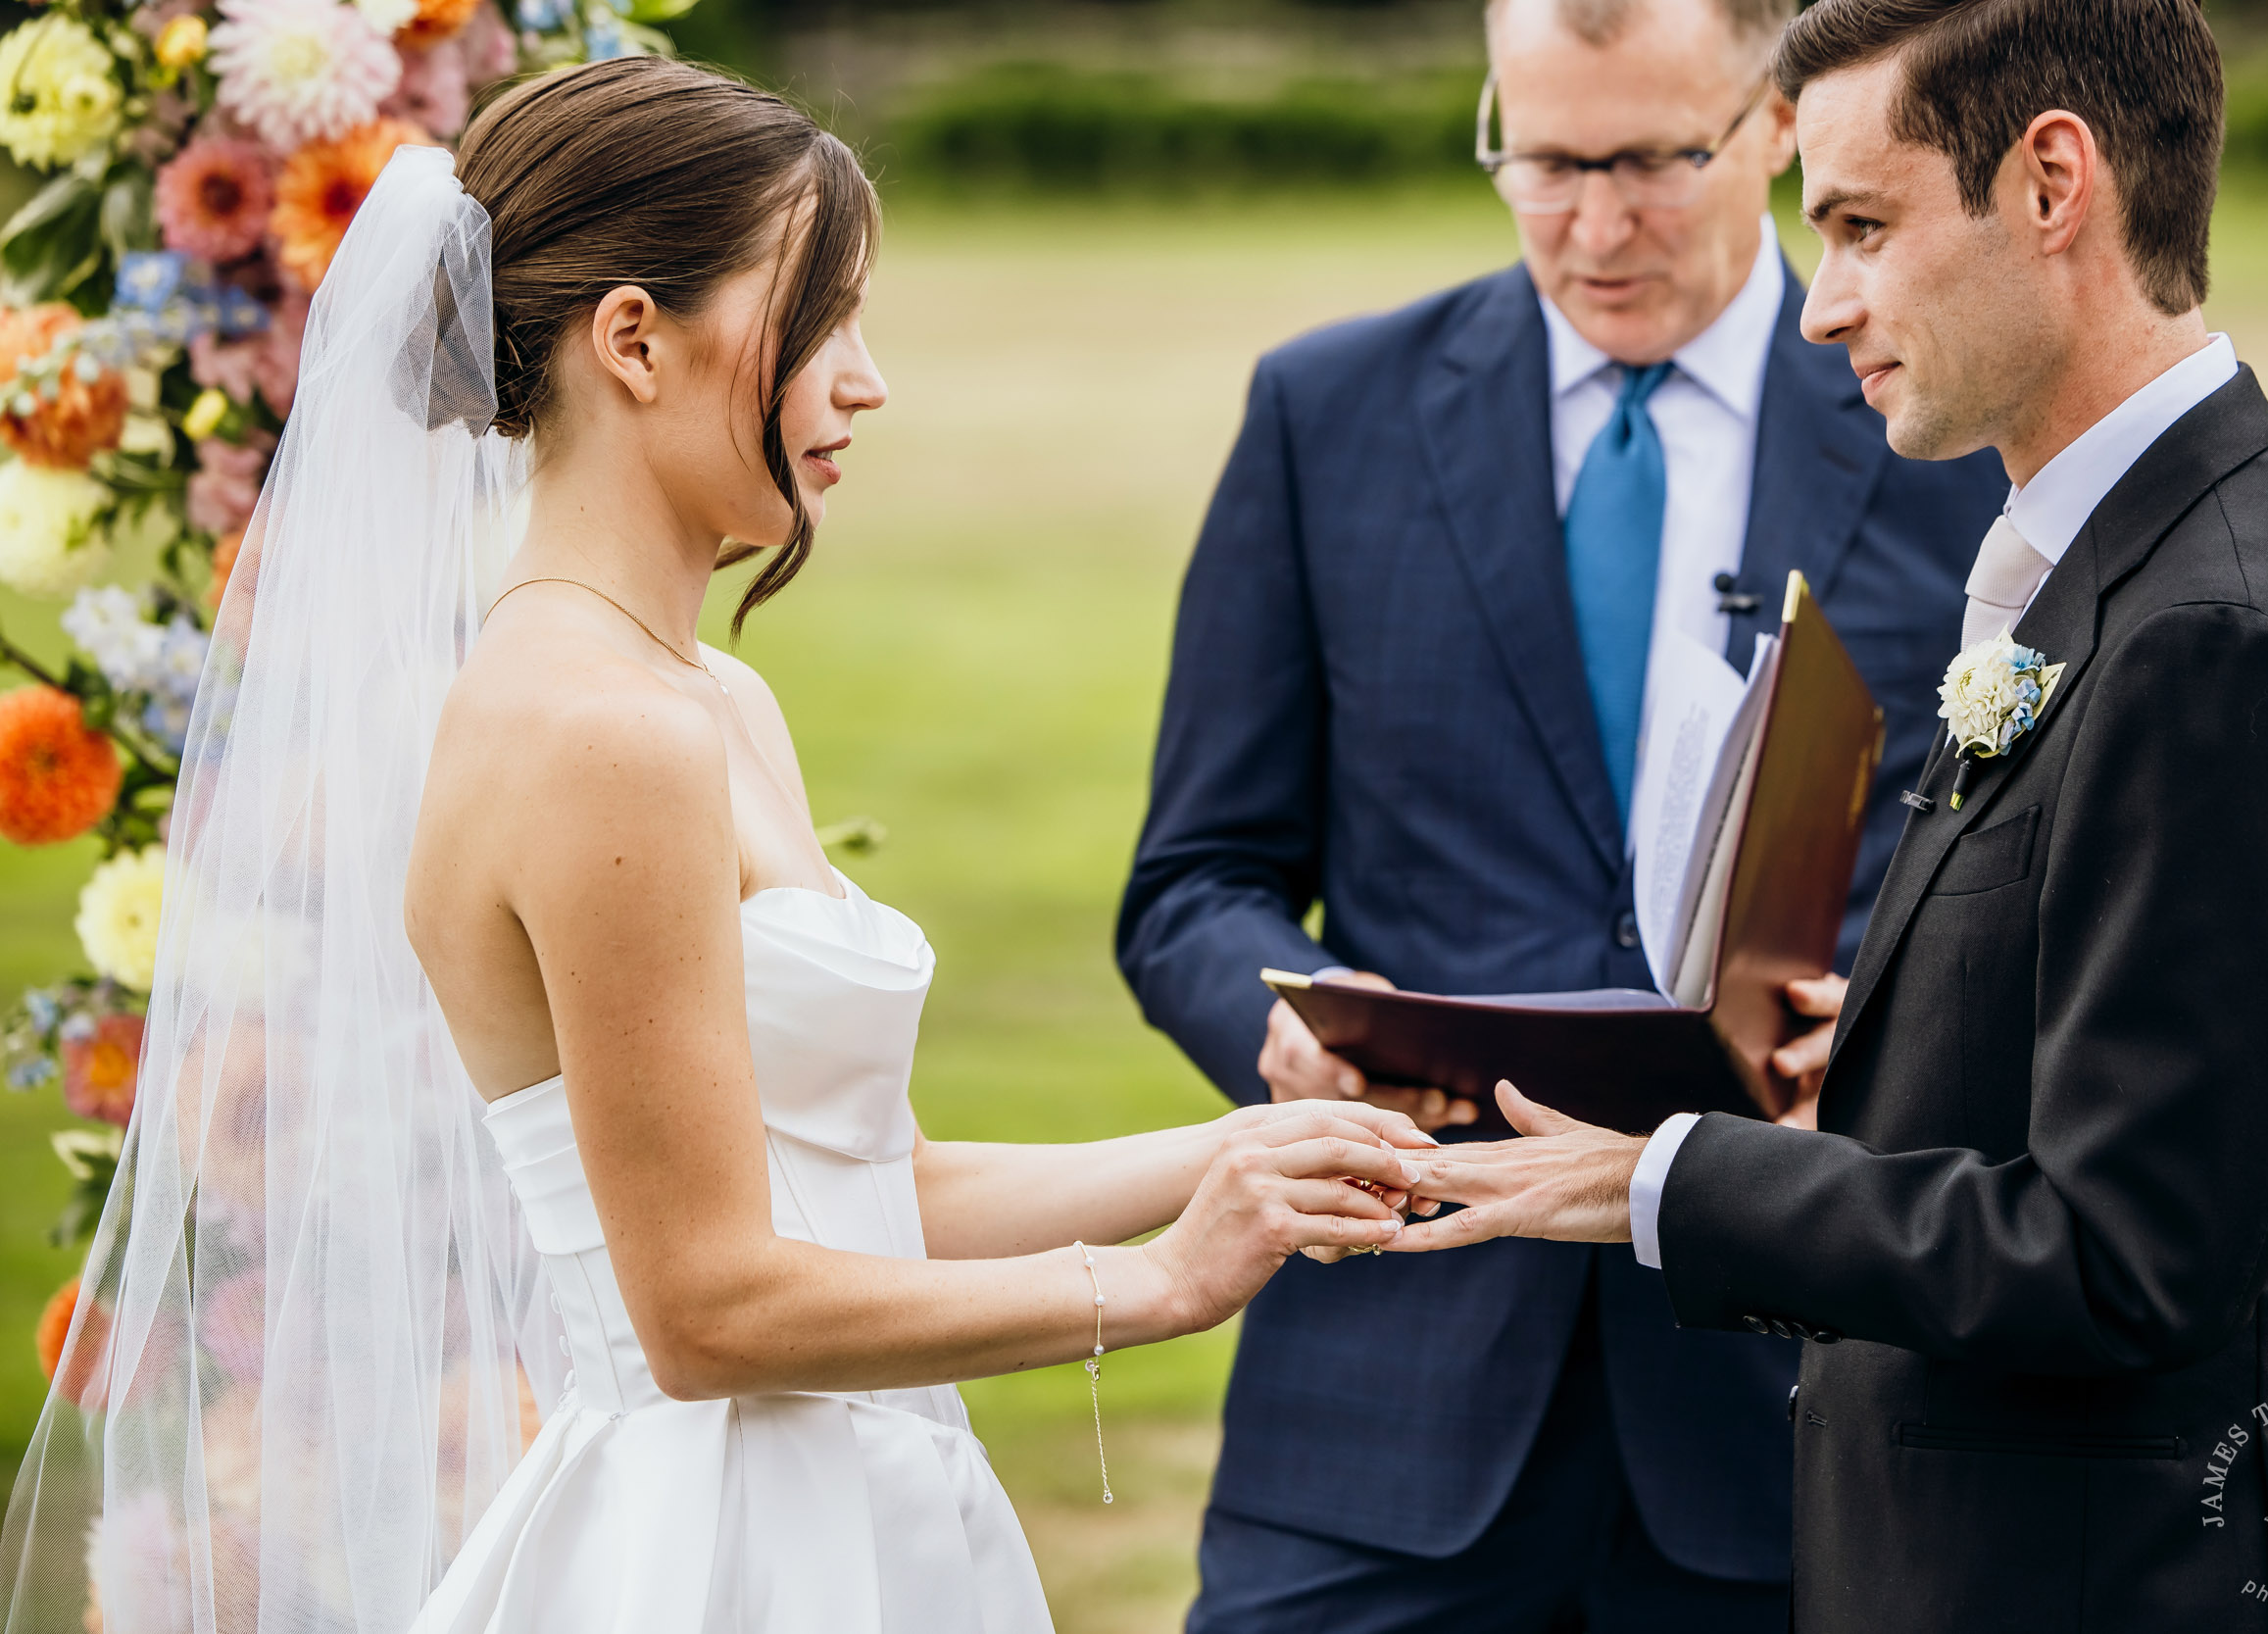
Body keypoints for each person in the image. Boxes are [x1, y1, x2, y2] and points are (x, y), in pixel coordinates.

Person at [0, 59, 1439, 1634]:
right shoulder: (594, 734)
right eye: (819, 320)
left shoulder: (711, 700)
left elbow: (861, 1188)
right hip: (726, 1546)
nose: (866, 380)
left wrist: (1238, 1155)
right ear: (633, 338)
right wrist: (1164, 1283)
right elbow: (702, 1306)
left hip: (860, 1492)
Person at [1392, 2, 2268, 1630]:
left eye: (1864, 227)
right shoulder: (2113, 568)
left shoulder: (2210, 636)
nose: (1823, 309)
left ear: (2052, 183)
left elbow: (2125, 1254)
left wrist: (1664, 1182)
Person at [1114, 0, 2003, 1623]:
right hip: (1386, 1398)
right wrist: (1292, 1035)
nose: (1595, 227)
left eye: (1656, 161)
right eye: (1542, 163)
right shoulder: (1327, 413)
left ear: (1776, 129)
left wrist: (1865, 1042)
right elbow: (1193, 880)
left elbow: (2021, 902)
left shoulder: (1952, 438)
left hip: (1790, 1392)